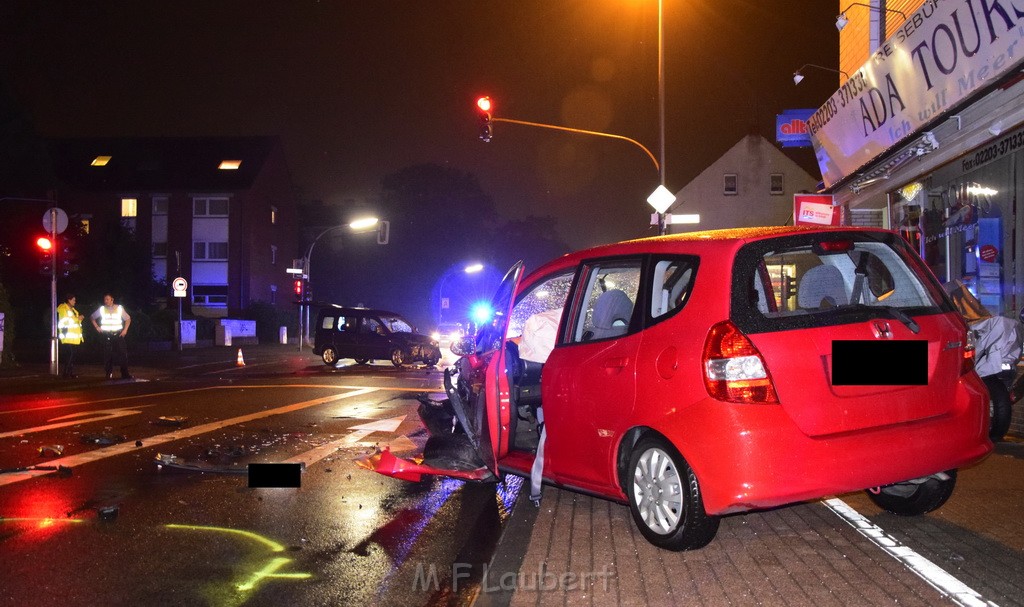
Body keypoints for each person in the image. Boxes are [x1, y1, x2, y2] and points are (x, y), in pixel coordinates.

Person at [90, 293, 132, 379]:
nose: (106, 301)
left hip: (118, 334)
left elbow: (128, 319)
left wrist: (125, 330)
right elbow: (92, 317)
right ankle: (108, 373)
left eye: (107, 299)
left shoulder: (119, 308)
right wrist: (97, 327)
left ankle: (125, 373)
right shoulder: (102, 309)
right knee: (108, 355)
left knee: (123, 354)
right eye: (105, 299)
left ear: (112, 300)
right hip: (107, 335)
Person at [56, 293, 85, 378]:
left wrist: (79, 319)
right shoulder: (62, 308)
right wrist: (77, 319)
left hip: (74, 338)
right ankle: (66, 373)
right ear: (69, 300)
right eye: (73, 300)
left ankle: (70, 373)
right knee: (69, 355)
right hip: (67, 336)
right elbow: (65, 320)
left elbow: (76, 323)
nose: (75, 301)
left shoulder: (73, 310)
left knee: (73, 355)